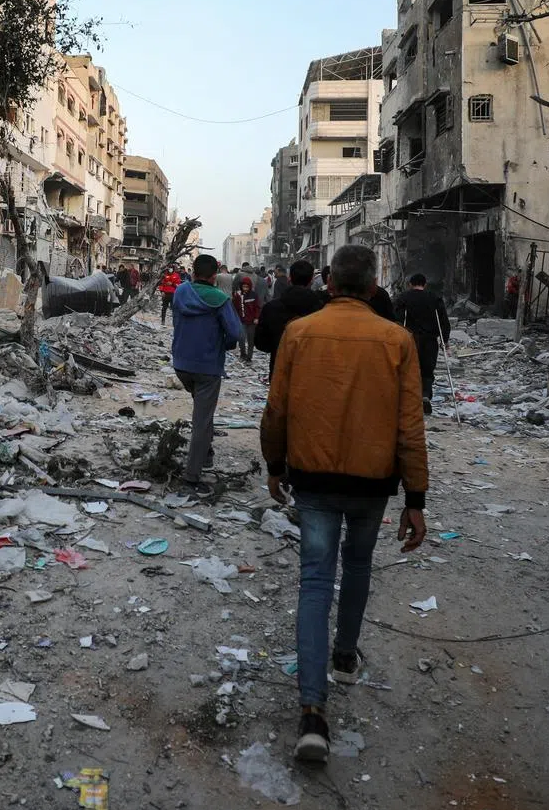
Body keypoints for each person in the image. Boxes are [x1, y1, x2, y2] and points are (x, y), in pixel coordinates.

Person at [260, 244, 428, 763]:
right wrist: (415, 498)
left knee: (315, 579)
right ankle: (344, 658)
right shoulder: (397, 340)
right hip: (371, 484)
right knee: (357, 565)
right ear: (375, 287)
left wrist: (274, 465)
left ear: (329, 284)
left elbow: (277, 408)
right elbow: (410, 425)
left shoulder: (298, 333)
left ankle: (312, 713)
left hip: (312, 479)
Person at [171, 253, 242, 489]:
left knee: (203, 413)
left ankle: (207, 453)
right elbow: (234, 333)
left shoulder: (181, 292)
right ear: (214, 276)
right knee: (202, 419)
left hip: (181, 364)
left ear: (193, 271)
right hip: (207, 367)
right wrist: (225, 344)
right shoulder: (220, 299)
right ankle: (192, 474)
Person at [254, 259, 324, 380]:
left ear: (290, 278)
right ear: (312, 279)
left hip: (279, 372)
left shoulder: (271, 308)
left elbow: (261, 344)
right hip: (313, 377)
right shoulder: (323, 309)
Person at [394, 272, 451, 415]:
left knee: (409, 370)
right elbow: (443, 321)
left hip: (410, 340)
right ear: (424, 284)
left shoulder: (403, 298)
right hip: (430, 340)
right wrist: (445, 339)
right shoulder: (434, 298)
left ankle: (410, 399)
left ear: (410, 284)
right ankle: (425, 395)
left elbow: (397, 319)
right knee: (427, 370)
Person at [232, 274, 262, 362]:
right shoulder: (238, 295)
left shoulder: (253, 295)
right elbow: (235, 307)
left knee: (250, 340)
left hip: (252, 321)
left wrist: (256, 317)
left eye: (247, 286)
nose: (245, 288)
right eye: (244, 286)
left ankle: (249, 356)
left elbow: (257, 307)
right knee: (241, 338)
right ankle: (243, 353)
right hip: (241, 321)